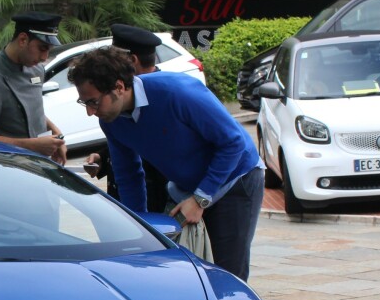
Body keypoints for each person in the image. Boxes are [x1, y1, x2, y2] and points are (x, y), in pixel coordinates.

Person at [69, 46, 265, 281]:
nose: (91, 112)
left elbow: (233, 143)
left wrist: (201, 198)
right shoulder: (110, 121)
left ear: (119, 88)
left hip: (236, 178)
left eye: (93, 102)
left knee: (227, 272)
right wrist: (138, 227)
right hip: (185, 187)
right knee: (184, 270)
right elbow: (128, 174)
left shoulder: (177, 92)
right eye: (84, 103)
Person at [84, 24, 170, 212]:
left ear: (132, 61)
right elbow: (128, 136)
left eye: (114, 61)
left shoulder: (163, 97)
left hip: (158, 198)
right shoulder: (120, 96)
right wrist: (104, 156)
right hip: (129, 195)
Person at [0, 12, 66, 165]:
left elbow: (31, 108)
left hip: (39, 164)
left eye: (49, 50)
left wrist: (55, 132)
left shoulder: (36, 69)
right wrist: (33, 146)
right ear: (22, 39)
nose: (44, 57)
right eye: (42, 48)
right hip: (9, 169)